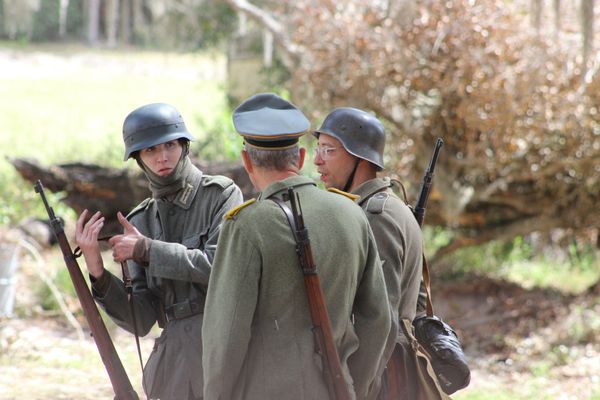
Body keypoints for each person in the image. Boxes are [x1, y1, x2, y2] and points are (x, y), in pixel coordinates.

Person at [202, 93, 391, 400]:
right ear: (301, 158)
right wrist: (352, 385)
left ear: (246, 160)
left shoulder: (246, 226)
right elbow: (379, 318)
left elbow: (225, 337)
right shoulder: (352, 214)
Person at [75, 102, 243, 400]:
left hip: (222, 348)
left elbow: (219, 265)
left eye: (169, 145)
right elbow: (140, 320)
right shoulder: (142, 218)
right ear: (138, 158)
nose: (162, 157)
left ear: (184, 145)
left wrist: (147, 249)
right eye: (150, 150)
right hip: (174, 363)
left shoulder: (221, 195)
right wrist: (97, 271)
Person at [313, 107, 424, 399]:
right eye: (317, 149)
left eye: (329, 150)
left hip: (382, 377)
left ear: (359, 157)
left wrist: (355, 390)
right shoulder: (384, 206)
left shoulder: (377, 216)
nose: (317, 160)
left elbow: (380, 321)